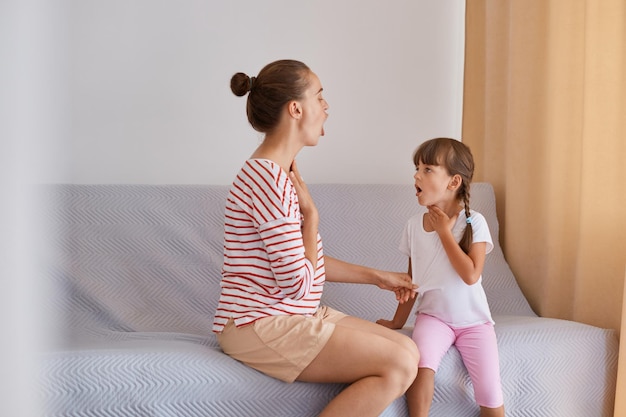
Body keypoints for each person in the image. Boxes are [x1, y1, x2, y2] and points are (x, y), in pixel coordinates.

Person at [212, 59, 419, 417]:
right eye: (319, 98)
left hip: (288, 314)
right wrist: (312, 218)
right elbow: (298, 284)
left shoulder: (278, 173)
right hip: (258, 323)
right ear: (295, 109)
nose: (326, 108)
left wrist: (379, 278)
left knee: (409, 351)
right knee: (400, 362)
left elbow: (309, 265)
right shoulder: (270, 181)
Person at [377, 138, 505, 417]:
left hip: (474, 323)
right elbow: (412, 281)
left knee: (490, 392)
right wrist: (397, 322)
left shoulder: (474, 222)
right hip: (433, 318)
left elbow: (471, 275)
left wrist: (444, 232)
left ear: (453, 182)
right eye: (417, 168)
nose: (416, 175)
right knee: (421, 365)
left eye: (427, 169)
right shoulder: (413, 225)